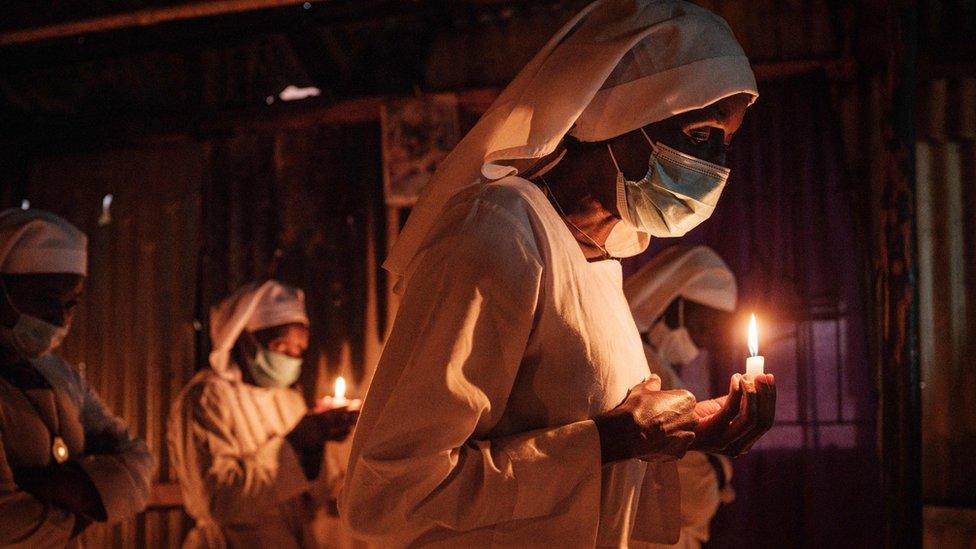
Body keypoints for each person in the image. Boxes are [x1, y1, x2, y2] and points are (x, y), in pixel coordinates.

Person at [341, 1, 777, 547]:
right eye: (699, 134)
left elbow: (588, 469)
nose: (717, 165)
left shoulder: (598, 259)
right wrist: (612, 441)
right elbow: (389, 492)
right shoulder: (498, 233)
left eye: (726, 143)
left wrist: (679, 438)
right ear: (623, 114)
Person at [0, 208, 155, 547]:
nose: (60, 317)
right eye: (45, 301)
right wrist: (90, 503)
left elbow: (138, 462)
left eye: (71, 304)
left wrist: (50, 486)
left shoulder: (59, 373)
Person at [168, 279, 359, 548]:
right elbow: (216, 500)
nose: (291, 358)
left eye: (299, 351)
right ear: (246, 339)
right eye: (282, 347)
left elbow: (315, 496)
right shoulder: (206, 399)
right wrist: (295, 443)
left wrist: (319, 441)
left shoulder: (288, 399)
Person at [624, 245, 741, 549]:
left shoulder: (657, 363)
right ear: (671, 300)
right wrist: (718, 468)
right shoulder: (634, 361)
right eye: (703, 327)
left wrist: (714, 464)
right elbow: (695, 496)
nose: (702, 343)